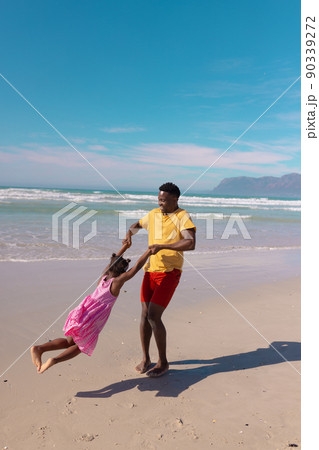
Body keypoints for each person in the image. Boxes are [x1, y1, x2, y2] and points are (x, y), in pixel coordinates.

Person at [30, 244, 151, 374]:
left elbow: (115, 259)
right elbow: (137, 267)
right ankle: (55, 360)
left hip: (83, 310)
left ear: (110, 266)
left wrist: (125, 247)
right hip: (93, 317)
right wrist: (149, 252)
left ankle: (39, 348)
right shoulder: (117, 282)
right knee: (80, 347)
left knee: (68, 341)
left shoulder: (105, 275)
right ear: (122, 272)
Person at [123, 182, 196, 377]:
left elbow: (190, 243)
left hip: (170, 272)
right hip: (150, 271)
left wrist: (163, 246)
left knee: (154, 316)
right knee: (144, 314)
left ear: (175, 199)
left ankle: (163, 362)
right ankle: (146, 358)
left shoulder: (182, 216)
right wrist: (129, 234)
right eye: (159, 199)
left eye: (164, 200)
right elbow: (136, 225)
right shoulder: (153, 214)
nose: (160, 203)